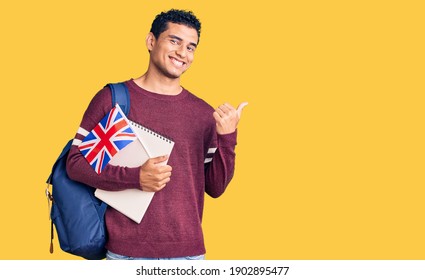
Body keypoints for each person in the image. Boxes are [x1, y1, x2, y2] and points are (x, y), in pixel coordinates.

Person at [66, 9, 247, 260]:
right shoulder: (115, 99)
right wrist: (135, 178)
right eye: (174, 41)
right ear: (151, 42)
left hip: (188, 255)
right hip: (125, 254)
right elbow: (75, 165)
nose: (183, 53)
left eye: (191, 47)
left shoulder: (203, 114)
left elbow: (215, 188)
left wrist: (227, 138)